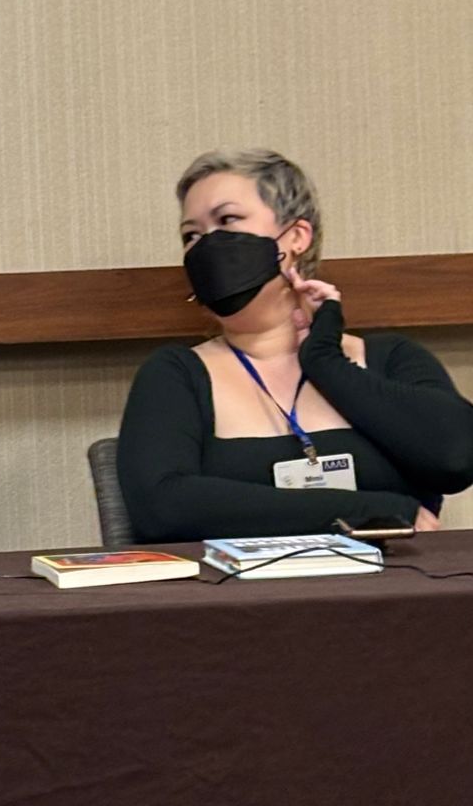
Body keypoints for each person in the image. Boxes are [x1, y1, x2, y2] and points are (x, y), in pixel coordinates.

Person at [117, 148, 473, 542]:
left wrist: (324, 360)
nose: (207, 246)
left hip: (395, 598)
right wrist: (369, 510)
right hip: (242, 600)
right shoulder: (176, 373)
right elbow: (162, 509)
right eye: (192, 235)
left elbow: (456, 458)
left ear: (297, 237)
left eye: (228, 220)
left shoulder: (389, 358)